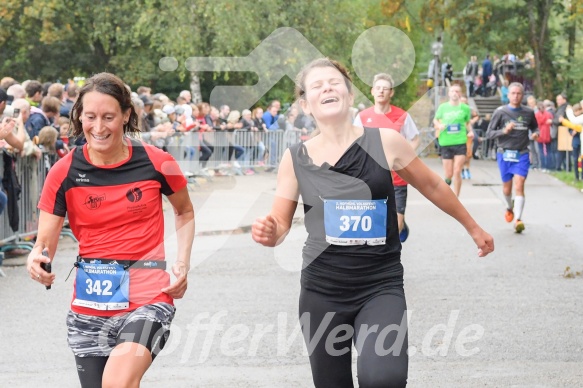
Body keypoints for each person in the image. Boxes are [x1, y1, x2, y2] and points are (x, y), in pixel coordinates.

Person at [251, 58, 494, 388]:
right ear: (305, 104)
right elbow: (280, 224)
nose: (327, 87)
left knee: (384, 378)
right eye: (317, 85)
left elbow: (434, 185)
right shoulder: (296, 159)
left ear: (350, 96)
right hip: (322, 292)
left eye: (334, 82)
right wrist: (270, 233)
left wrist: (473, 226)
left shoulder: (385, 141)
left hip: (380, 285)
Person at [26, 72, 195, 388]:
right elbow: (44, 243)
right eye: (90, 117)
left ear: (126, 115)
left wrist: (183, 261)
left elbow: (184, 211)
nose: (99, 127)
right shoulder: (63, 172)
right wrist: (36, 258)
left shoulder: (158, 163)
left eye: (108, 117)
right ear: (79, 116)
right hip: (90, 304)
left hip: (148, 295)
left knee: (117, 383)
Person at [354, 73, 420, 243]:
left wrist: (404, 158)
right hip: (371, 178)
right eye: (378, 88)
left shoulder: (402, 116)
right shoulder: (362, 117)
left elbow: (415, 138)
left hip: (397, 179)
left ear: (391, 93)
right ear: (372, 91)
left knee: (396, 221)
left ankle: (397, 234)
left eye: (385, 89)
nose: (381, 91)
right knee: (375, 220)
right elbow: (353, 143)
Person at [486, 82, 539, 233]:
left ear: (522, 95)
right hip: (504, 154)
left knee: (519, 184)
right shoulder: (500, 112)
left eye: (519, 93)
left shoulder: (528, 112)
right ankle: (509, 207)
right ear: (508, 95)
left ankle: (518, 219)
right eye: (513, 93)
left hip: (521, 153)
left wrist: (536, 133)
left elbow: (535, 127)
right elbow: (489, 134)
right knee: (507, 189)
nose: (516, 96)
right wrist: (504, 131)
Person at [433, 84, 473, 197]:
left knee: (457, 171)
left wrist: (470, 131)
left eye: (457, 91)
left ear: (460, 94)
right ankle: (447, 189)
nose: (455, 93)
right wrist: (439, 125)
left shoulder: (465, 108)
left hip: (460, 142)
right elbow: (435, 120)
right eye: (452, 91)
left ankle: (456, 197)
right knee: (448, 174)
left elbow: (468, 122)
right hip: (446, 142)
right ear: (449, 94)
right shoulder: (443, 107)